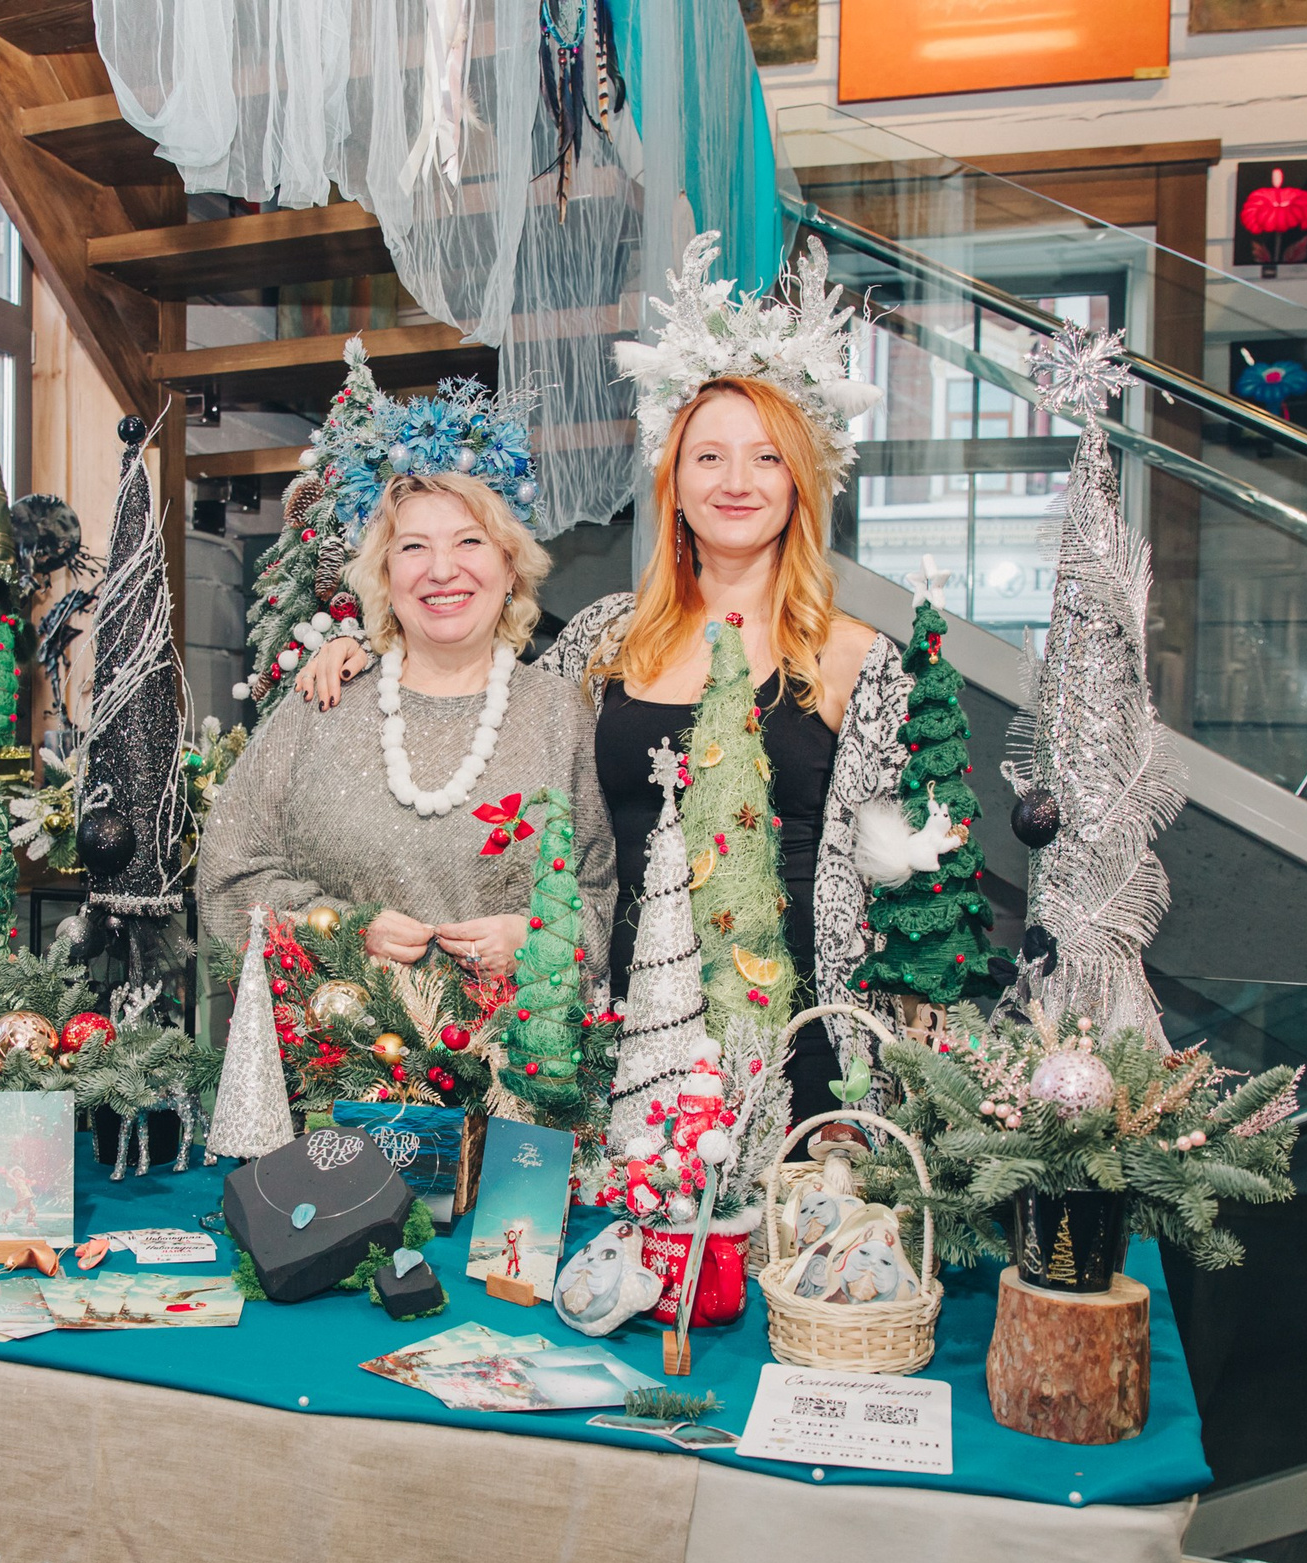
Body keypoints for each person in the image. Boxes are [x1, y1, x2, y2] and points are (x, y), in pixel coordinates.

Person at [296, 236, 908, 1122]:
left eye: (766, 457)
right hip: (613, 1040)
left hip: (797, 1046)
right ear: (673, 480)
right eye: (709, 457)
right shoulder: (603, 640)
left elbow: (901, 900)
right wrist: (371, 653)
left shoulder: (858, 661)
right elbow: (483, 708)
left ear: (802, 483)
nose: (736, 481)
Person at [198, 471, 615, 978]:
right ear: (385, 577)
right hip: (335, 1045)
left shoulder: (560, 715)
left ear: (510, 570)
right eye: (414, 546)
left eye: (469, 541)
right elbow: (227, 879)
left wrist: (539, 939)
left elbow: (599, 898)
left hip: (516, 1052)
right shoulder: (322, 702)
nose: (442, 570)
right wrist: (341, 931)